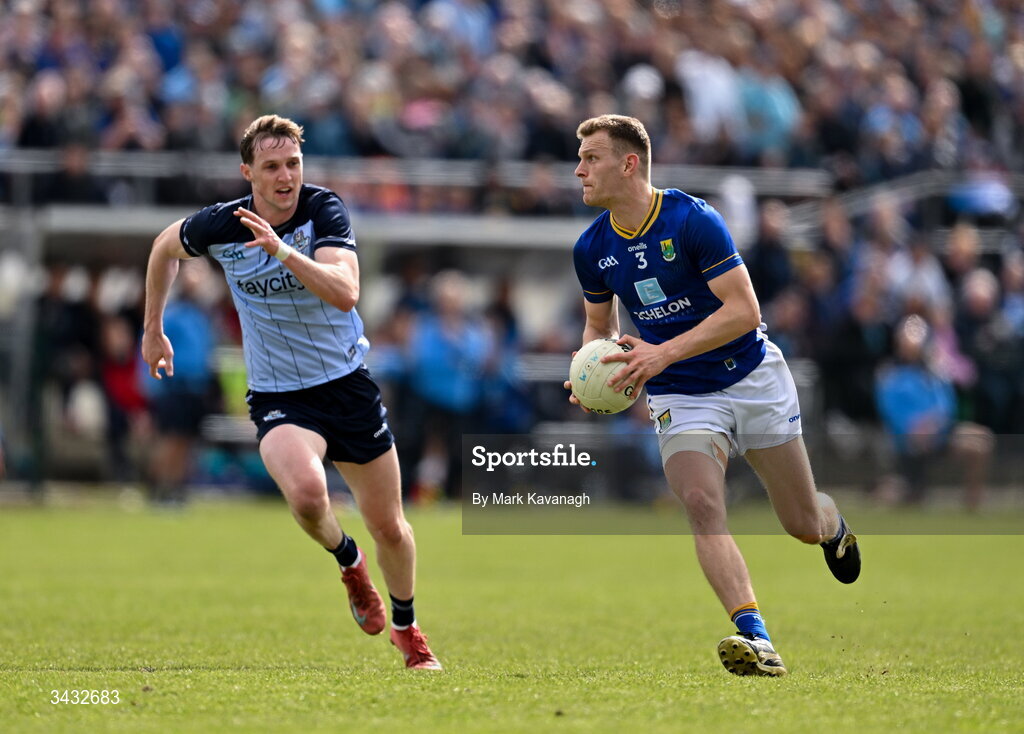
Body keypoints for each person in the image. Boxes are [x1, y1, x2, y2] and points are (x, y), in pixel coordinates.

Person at [141, 114, 441, 670]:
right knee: (306, 495)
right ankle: (348, 561)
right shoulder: (222, 224)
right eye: (273, 166)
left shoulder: (323, 210)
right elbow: (163, 248)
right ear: (248, 173)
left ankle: (407, 628)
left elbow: (346, 293)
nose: (286, 176)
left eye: (294, 164)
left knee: (391, 527)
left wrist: (280, 250)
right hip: (281, 397)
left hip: (348, 388)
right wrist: (152, 328)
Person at [565, 114, 861, 677]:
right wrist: (594, 372)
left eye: (591, 158)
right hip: (681, 393)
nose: (579, 170)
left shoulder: (693, 220)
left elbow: (745, 311)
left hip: (751, 378)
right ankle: (757, 638)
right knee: (702, 505)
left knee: (800, 522)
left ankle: (832, 525)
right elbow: (597, 326)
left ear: (629, 164)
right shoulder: (591, 248)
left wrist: (660, 352)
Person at [875, 314, 992, 510]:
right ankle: (897, 490)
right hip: (907, 439)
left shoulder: (934, 371)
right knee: (908, 498)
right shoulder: (889, 374)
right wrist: (913, 426)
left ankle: (973, 503)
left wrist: (935, 422)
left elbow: (947, 403)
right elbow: (888, 409)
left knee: (982, 441)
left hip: (940, 435)